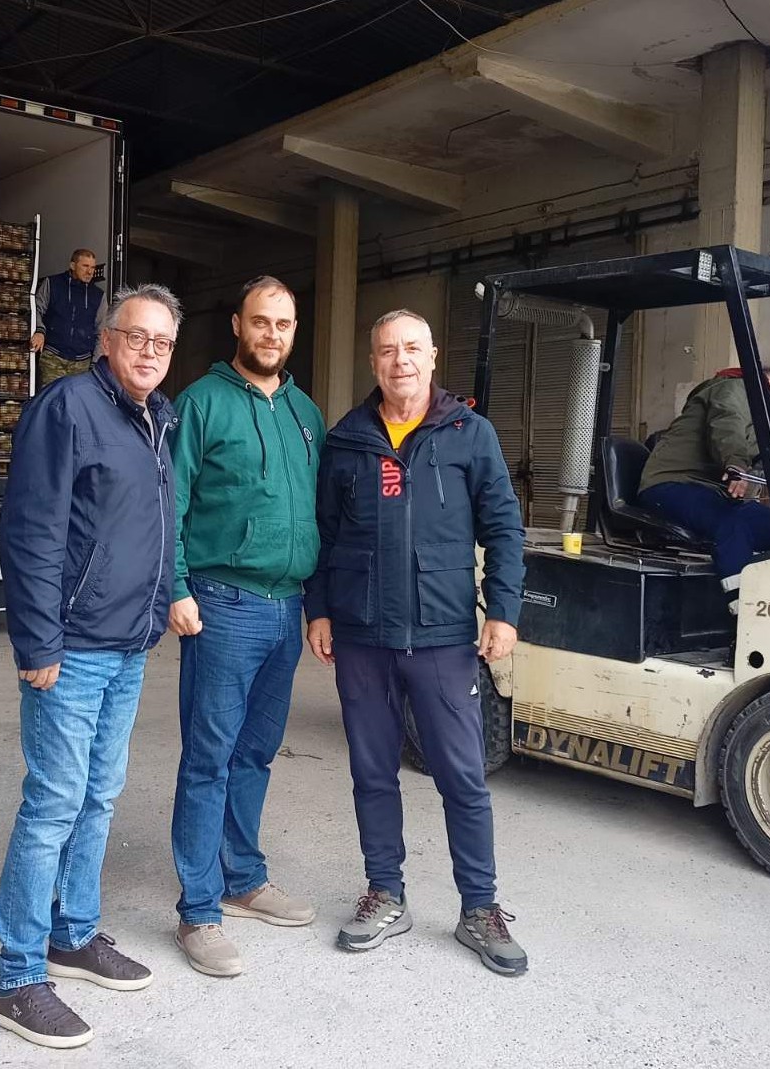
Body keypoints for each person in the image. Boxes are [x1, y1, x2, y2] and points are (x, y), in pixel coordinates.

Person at [304, 309, 528, 977]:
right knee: (372, 771)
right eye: (386, 350)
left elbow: (504, 527)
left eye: (411, 349)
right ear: (373, 361)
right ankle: (386, 893)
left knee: (462, 776)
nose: (399, 360)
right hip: (362, 634)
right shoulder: (347, 440)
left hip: (441, 635)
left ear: (432, 357)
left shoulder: (469, 433)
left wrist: (504, 611)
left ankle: (479, 907)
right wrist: (319, 610)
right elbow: (323, 533)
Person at [0, 283, 182, 1050]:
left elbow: (156, 525)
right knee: (54, 804)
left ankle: (72, 933)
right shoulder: (67, 408)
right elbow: (30, 530)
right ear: (106, 339)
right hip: (71, 648)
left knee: (99, 797)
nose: (148, 351)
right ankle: (16, 976)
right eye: (136, 336)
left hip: (127, 644)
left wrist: (158, 608)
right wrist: (38, 642)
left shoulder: (158, 417)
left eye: (162, 342)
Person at [168, 276, 324, 977]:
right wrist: (176, 589)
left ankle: (243, 879)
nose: (272, 334)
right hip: (223, 602)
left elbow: (318, 513)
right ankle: (199, 910)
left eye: (283, 324)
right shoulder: (201, 403)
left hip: (286, 607)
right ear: (237, 324)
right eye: (261, 321)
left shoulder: (305, 413)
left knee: (255, 754)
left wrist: (317, 604)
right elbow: (171, 503)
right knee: (209, 757)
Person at [637, 369, 770, 602]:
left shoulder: (762, 419)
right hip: (671, 482)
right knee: (731, 523)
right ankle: (741, 605)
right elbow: (727, 422)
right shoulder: (735, 388)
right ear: (769, 380)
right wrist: (736, 466)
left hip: (709, 491)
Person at [30, 249, 105, 389]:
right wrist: (39, 331)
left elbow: (101, 332)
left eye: (93, 267)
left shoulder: (98, 295)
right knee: (51, 398)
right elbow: (36, 310)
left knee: (76, 401)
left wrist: (95, 364)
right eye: (85, 266)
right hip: (53, 357)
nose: (90, 271)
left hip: (82, 363)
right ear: (72, 265)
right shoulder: (52, 283)